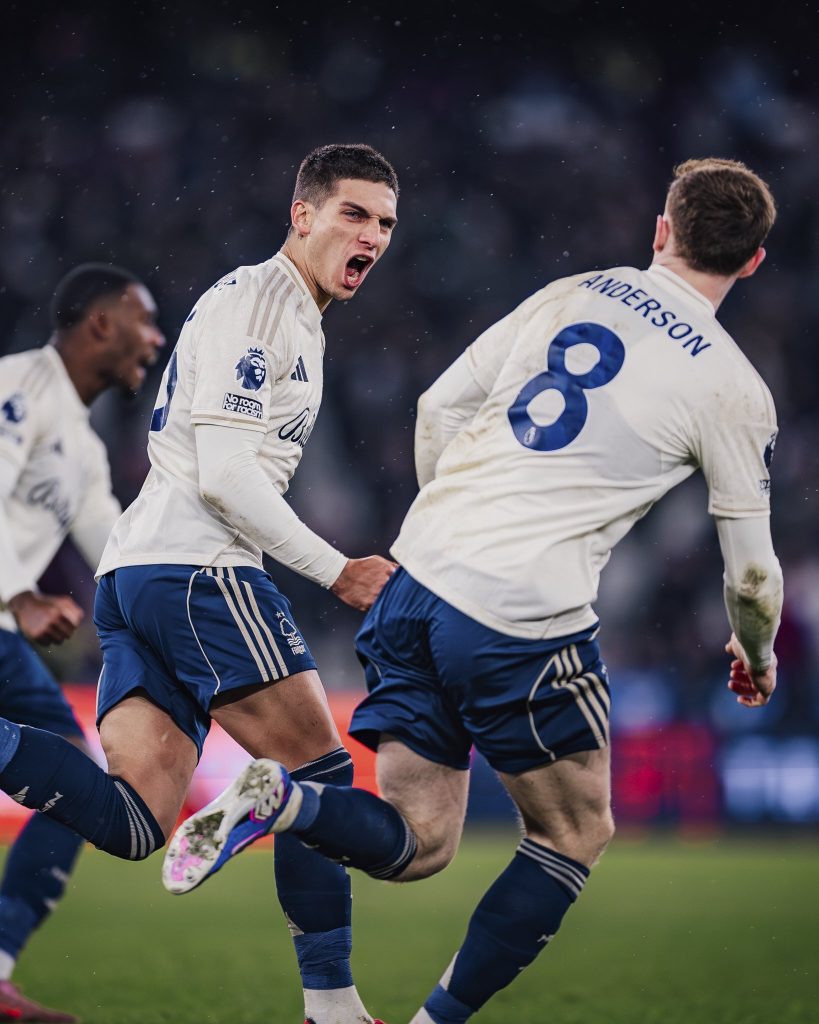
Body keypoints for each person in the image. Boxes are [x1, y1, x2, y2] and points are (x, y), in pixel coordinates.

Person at [167, 158, 784, 1024]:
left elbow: (436, 407)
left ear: (660, 232)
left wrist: (448, 541)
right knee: (575, 834)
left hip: (416, 583)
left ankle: (287, 799)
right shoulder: (733, 387)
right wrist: (753, 653)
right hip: (521, 617)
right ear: (753, 262)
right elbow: (751, 575)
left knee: (418, 846)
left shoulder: (575, 290)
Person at [0, 144, 398, 1024]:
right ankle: (331, 1007)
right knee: (318, 777)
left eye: (383, 223)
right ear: (302, 215)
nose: (370, 234)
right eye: (353, 213)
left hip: (138, 576)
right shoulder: (262, 303)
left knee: (138, 823)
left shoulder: (293, 315)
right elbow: (223, 471)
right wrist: (336, 570)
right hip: (196, 571)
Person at [0, 263, 164, 1023]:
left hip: (3, 638)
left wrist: (185, 630)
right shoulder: (19, 387)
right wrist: (21, 593)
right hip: (9, 616)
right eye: (145, 321)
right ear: (100, 323)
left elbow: (116, 552)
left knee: (74, 791)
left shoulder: (84, 445)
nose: (156, 340)